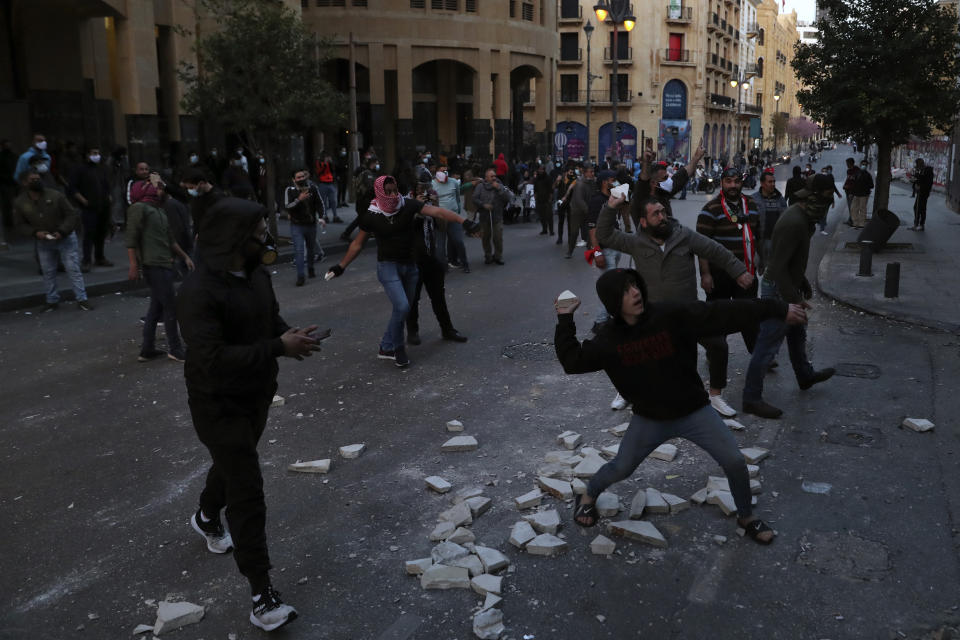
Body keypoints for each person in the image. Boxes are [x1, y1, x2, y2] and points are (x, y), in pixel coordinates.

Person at [556, 267, 805, 544]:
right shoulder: (609, 340)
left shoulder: (670, 315)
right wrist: (565, 318)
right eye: (626, 290)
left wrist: (776, 308)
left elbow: (724, 312)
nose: (636, 292)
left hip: (694, 412)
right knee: (621, 468)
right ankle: (588, 494)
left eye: (635, 285)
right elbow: (573, 361)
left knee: (734, 461)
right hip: (649, 419)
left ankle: (746, 517)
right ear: (614, 301)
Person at [177, 199, 316, 632]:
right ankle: (262, 596)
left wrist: (289, 335)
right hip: (216, 402)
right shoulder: (198, 291)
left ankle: (204, 516)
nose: (266, 237)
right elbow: (211, 358)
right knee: (246, 488)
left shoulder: (257, 275)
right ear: (237, 239)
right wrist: (278, 347)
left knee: (232, 464)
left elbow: (269, 320)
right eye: (259, 231)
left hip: (256, 394)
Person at [597, 195, 752, 412]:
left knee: (717, 345)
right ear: (643, 222)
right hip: (652, 315)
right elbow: (604, 234)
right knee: (634, 353)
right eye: (656, 214)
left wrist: (739, 271)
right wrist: (611, 206)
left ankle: (715, 395)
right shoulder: (635, 242)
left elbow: (715, 251)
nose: (662, 217)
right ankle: (626, 393)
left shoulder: (684, 236)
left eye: (663, 212)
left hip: (686, 311)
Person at [326, 175, 480, 368]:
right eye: (387, 191)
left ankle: (386, 345)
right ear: (379, 192)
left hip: (410, 266)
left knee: (405, 307)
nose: (391, 195)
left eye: (394, 190)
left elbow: (439, 212)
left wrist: (464, 221)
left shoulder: (407, 205)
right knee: (403, 306)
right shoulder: (372, 215)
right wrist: (341, 266)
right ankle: (397, 349)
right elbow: (357, 244)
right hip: (388, 266)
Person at [741, 174, 837, 419]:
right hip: (777, 289)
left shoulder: (803, 217)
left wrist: (801, 281)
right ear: (814, 197)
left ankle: (804, 375)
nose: (827, 207)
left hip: (786, 285)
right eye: (826, 200)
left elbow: (790, 260)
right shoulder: (795, 221)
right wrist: (793, 299)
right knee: (767, 345)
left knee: (797, 334)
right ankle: (751, 398)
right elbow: (779, 266)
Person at [696, 168, 761, 417]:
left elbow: (758, 234)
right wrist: (705, 274)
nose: (733, 185)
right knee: (717, 318)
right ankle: (715, 355)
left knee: (750, 315)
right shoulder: (711, 209)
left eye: (736, 181)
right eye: (728, 181)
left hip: (746, 272)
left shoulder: (752, 204)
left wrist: (759, 260)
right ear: (722, 183)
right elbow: (701, 246)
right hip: (720, 275)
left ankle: (759, 356)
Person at [126, 175, 193, 362]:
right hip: (154, 265)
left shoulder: (159, 211)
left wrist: (185, 257)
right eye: (153, 186)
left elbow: (170, 240)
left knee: (156, 308)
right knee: (170, 307)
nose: (158, 189)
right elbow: (131, 239)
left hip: (164, 263)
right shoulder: (138, 208)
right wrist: (133, 265)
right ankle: (175, 348)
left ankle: (147, 349)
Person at [406, 174, 472, 345]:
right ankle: (412, 331)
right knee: (413, 298)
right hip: (413, 259)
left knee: (438, 297)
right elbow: (405, 227)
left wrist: (435, 205)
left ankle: (447, 329)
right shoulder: (406, 204)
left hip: (431, 257)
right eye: (421, 188)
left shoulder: (431, 206)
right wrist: (417, 208)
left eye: (427, 188)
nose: (425, 191)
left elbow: (441, 227)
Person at [14, 168, 92, 311]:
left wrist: (62, 231)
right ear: (24, 183)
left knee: (73, 269)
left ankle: (82, 299)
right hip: (43, 241)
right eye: (33, 180)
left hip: (65, 238)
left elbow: (71, 215)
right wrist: (35, 232)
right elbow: (20, 224)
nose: (37, 181)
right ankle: (52, 301)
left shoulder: (55, 195)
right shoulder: (20, 202)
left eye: (38, 178)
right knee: (48, 272)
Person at [631, 140, 705, 225]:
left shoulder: (663, 194)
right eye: (665, 177)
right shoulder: (640, 199)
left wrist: (696, 157)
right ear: (653, 183)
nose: (669, 179)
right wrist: (646, 163)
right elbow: (643, 181)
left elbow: (684, 173)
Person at [69, 146, 113, 270]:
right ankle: (86, 260)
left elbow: (106, 184)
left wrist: (109, 196)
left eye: (98, 153)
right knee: (89, 233)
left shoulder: (102, 168)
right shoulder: (79, 169)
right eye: (94, 153)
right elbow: (72, 188)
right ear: (87, 155)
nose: (97, 155)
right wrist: (83, 200)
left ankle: (100, 257)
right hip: (89, 206)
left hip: (103, 205)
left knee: (101, 232)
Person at [283, 169, 326, 286]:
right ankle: (300, 276)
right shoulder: (290, 190)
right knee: (299, 251)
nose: (301, 179)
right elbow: (287, 206)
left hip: (311, 225)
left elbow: (319, 203)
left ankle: (311, 268)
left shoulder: (312, 188)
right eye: (298, 177)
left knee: (311, 249)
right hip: (297, 225)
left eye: (302, 176)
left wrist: (322, 217)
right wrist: (298, 200)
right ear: (294, 179)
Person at [432, 164, 476, 273]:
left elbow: (457, 197)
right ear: (437, 172)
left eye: (446, 171)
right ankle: (443, 267)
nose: (444, 173)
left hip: (454, 217)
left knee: (458, 241)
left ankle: (464, 264)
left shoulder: (454, 182)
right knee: (440, 246)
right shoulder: (432, 185)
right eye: (442, 171)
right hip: (440, 219)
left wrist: (457, 210)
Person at [471, 167, 511, 265]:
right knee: (485, 238)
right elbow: (474, 198)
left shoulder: (500, 185)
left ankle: (498, 256)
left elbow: (508, 198)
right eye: (491, 176)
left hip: (497, 216)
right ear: (486, 178)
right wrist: (483, 205)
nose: (494, 178)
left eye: (494, 176)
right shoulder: (480, 186)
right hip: (485, 216)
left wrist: (499, 189)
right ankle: (488, 255)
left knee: (498, 237)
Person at [753, 168, 788, 274]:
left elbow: (785, 218)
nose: (773, 184)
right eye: (770, 182)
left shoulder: (780, 199)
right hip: (759, 242)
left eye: (774, 182)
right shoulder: (753, 199)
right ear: (762, 183)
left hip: (776, 241)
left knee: (774, 271)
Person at [342, 156, 380, 242]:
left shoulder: (368, 173)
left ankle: (351, 233)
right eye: (377, 163)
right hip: (364, 200)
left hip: (363, 200)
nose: (378, 165)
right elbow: (370, 188)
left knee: (362, 218)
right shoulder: (368, 174)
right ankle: (347, 234)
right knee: (362, 218)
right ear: (373, 163)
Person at [566, 164, 595, 257]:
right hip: (577, 211)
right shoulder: (579, 184)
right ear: (585, 173)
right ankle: (570, 251)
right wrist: (588, 210)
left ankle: (590, 251)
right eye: (591, 172)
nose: (593, 174)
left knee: (590, 231)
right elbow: (579, 200)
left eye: (593, 172)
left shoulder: (592, 182)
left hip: (587, 210)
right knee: (574, 232)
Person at [555, 166, 577, 246]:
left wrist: (566, 197)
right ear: (566, 172)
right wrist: (557, 181)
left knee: (570, 222)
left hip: (570, 202)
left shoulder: (574, 179)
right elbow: (554, 187)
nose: (572, 173)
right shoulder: (561, 179)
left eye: (572, 172)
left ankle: (570, 239)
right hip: (561, 202)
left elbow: (570, 189)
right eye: (570, 172)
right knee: (561, 221)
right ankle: (560, 238)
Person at [314, 154, 340, 223]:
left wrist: (331, 162)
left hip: (330, 183)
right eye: (326, 157)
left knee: (333, 201)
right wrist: (325, 165)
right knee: (323, 201)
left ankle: (335, 216)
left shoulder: (330, 164)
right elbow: (319, 172)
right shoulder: (319, 163)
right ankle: (325, 216)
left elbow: (333, 170)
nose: (327, 159)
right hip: (322, 183)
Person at [849, 160, 873, 229]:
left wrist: (865, 185)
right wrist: (852, 193)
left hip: (864, 194)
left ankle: (861, 223)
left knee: (862, 209)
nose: (863, 166)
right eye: (863, 164)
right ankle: (855, 223)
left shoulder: (868, 175)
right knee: (854, 208)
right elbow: (853, 184)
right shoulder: (857, 174)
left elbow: (871, 185)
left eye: (865, 165)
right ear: (860, 165)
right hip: (857, 194)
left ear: (867, 166)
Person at [912, 158, 934, 231]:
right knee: (916, 207)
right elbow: (918, 180)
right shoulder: (921, 171)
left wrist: (920, 187)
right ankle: (916, 223)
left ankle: (921, 224)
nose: (916, 167)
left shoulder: (928, 171)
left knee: (921, 208)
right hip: (920, 192)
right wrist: (915, 184)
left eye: (917, 165)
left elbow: (928, 183)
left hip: (924, 192)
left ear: (920, 164)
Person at [534, 164, 554, 236]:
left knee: (549, 216)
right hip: (539, 199)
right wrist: (535, 196)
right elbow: (535, 188)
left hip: (547, 199)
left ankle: (551, 231)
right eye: (540, 169)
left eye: (542, 169)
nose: (541, 170)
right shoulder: (537, 178)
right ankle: (544, 229)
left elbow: (551, 189)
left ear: (544, 170)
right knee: (542, 216)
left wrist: (550, 198)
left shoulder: (548, 178)